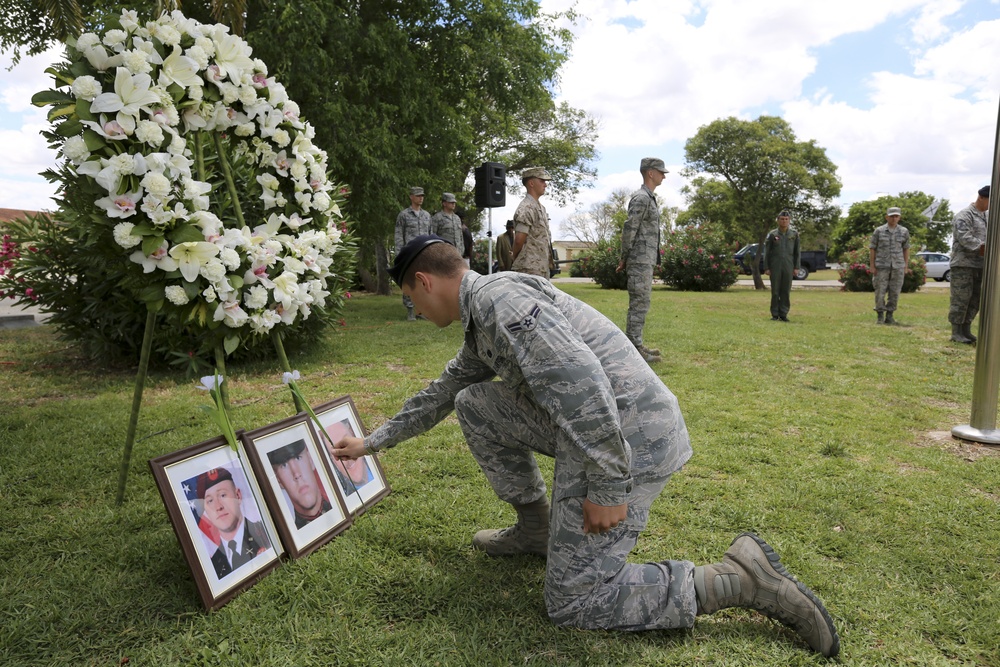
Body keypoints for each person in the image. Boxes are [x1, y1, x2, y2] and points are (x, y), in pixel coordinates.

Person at [330, 235, 839, 657]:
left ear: (424, 282)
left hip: (632, 438)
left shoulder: (500, 302)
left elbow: (584, 385)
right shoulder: (483, 313)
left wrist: (609, 485)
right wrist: (371, 442)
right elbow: (440, 393)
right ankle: (536, 531)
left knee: (574, 602)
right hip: (601, 434)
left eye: (410, 299)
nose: (415, 311)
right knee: (474, 402)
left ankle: (740, 580)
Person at [616, 157, 668, 363]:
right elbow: (630, 229)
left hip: (644, 259)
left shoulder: (648, 197)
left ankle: (636, 343)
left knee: (642, 302)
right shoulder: (641, 198)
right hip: (638, 259)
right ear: (650, 173)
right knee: (639, 302)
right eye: (661, 172)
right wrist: (625, 257)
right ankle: (634, 348)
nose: (664, 175)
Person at [197, 467, 270, 579]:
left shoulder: (267, 533)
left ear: (238, 496)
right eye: (210, 501)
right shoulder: (213, 566)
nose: (218, 506)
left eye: (222, 495)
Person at [949, 185, 989, 344]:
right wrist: (988, 248)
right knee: (961, 299)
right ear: (981, 197)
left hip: (980, 265)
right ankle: (956, 332)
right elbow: (965, 239)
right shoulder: (964, 216)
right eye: (990, 201)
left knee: (976, 298)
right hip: (963, 265)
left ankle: (966, 329)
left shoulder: (985, 216)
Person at [267, 439, 332, 529]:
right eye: (284, 465)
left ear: (311, 460)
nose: (296, 474)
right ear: (278, 479)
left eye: (298, 458)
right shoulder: (291, 535)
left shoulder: (344, 504)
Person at [395, 186, 432, 320]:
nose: (420, 198)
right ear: (411, 197)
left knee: (424, 282)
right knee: (409, 281)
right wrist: (400, 253)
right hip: (409, 253)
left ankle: (421, 310)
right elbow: (399, 235)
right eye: (417, 195)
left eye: (422, 195)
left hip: (423, 253)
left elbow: (430, 235)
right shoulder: (404, 215)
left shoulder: (427, 216)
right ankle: (410, 310)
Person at [869, 206, 911, 324]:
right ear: (886, 217)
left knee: (895, 292)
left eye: (896, 216)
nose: (894, 218)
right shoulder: (879, 231)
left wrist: (905, 265)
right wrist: (872, 266)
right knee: (880, 291)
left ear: (899, 218)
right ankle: (880, 315)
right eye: (892, 216)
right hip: (881, 266)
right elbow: (873, 248)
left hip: (898, 266)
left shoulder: (904, 231)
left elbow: (906, 249)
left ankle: (890, 315)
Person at [510, 167, 554, 278]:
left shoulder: (540, 208)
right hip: (528, 269)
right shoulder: (526, 208)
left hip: (541, 268)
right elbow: (519, 240)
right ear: (531, 183)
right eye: (542, 181)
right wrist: (516, 258)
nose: (545, 185)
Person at [763, 211, 800, 322]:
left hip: (788, 265)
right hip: (775, 265)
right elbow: (767, 252)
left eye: (786, 219)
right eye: (782, 219)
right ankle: (774, 314)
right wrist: (766, 267)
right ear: (778, 220)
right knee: (775, 291)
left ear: (789, 220)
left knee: (785, 290)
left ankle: (783, 313)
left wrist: (796, 267)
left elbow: (797, 252)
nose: (784, 221)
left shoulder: (794, 234)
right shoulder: (773, 234)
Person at [431, 193, 465, 258]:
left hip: (457, 254)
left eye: (454, 202)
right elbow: (433, 236)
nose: (453, 204)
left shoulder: (457, 218)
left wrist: (461, 250)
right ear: (444, 203)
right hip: (443, 255)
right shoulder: (437, 218)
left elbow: (460, 236)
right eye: (451, 202)